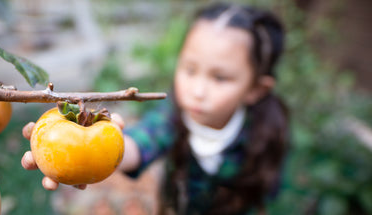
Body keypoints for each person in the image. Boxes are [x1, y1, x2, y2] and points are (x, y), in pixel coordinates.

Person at [21, 3, 289, 214]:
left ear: (256, 90)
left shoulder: (265, 131)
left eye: (220, 78)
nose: (197, 90)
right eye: (190, 70)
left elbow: (267, 190)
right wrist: (92, 151)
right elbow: (137, 146)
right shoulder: (172, 118)